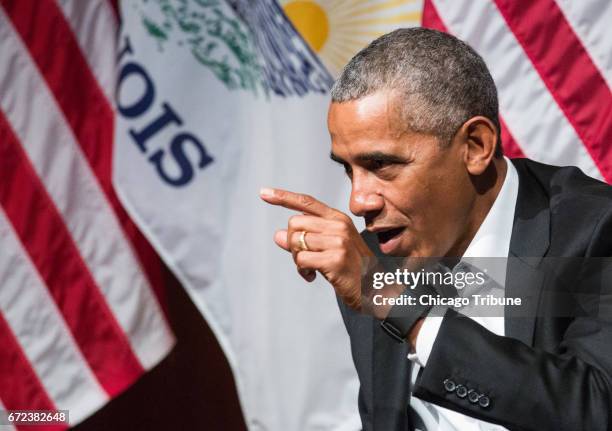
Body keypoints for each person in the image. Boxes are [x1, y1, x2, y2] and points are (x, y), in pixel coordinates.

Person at [260, 28, 612, 430]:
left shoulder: (595, 230)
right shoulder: (375, 257)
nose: (358, 202)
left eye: (382, 165)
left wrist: (403, 308)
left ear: (475, 146)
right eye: (348, 168)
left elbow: (595, 410)